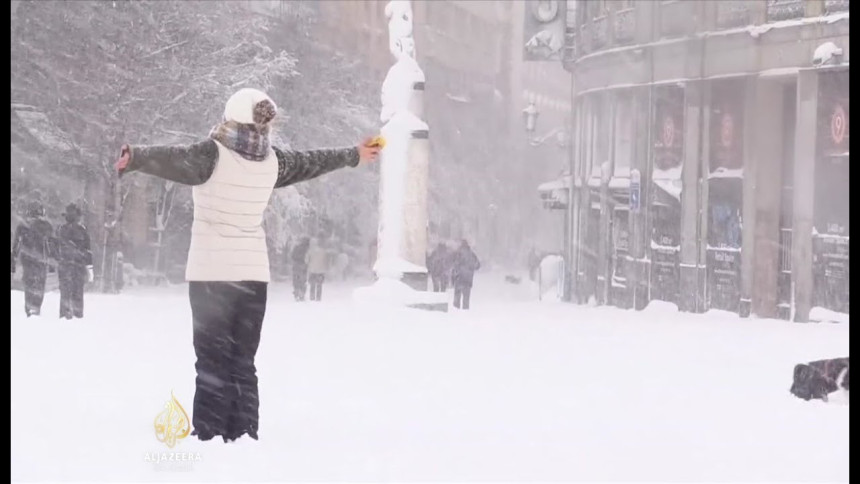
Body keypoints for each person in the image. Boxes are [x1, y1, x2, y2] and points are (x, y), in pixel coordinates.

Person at [114, 88, 380, 443]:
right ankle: (243, 434)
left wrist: (136, 158)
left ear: (231, 117)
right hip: (253, 279)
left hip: (212, 277)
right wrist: (354, 155)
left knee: (211, 362)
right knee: (243, 361)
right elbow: (311, 161)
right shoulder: (273, 162)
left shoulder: (211, 154)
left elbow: (174, 158)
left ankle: (209, 433)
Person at [12, 201, 56, 317]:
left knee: (29, 282)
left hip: (27, 260)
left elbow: (17, 244)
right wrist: (52, 261)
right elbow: (51, 245)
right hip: (41, 260)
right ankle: (36, 306)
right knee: (40, 283)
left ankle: (29, 306)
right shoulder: (46, 226)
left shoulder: (22, 226)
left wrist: (13, 258)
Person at [56, 203, 93, 319]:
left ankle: (65, 313)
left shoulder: (61, 229)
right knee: (78, 291)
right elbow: (88, 251)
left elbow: (56, 247)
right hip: (78, 265)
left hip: (65, 264)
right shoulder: (82, 230)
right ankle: (77, 313)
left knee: (65, 290)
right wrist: (90, 268)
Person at [451, 239, 480, 310]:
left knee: (457, 298)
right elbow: (478, 265)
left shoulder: (458, 254)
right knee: (466, 299)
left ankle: (456, 312)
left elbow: (454, 266)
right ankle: (465, 313)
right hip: (468, 280)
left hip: (459, 278)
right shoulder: (472, 254)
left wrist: (452, 279)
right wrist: (471, 269)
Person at [290, 237, 310, 301]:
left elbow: (292, 256)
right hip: (303, 266)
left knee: (296, 280)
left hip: (296, 266)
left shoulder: (296, 247)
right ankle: (302, 294)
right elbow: (308, 258)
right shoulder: (307, 249)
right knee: (303, 280)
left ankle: (296, 293)